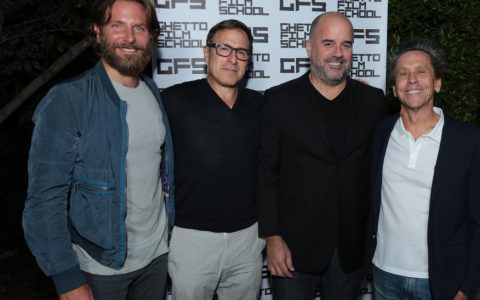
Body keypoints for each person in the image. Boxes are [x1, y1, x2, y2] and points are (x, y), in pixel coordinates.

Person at [22, 0, 174, 299]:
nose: (129, 37)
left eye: (139, 27)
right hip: (101, 266)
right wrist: (67, 278)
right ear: (97, 31)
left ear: (151, 36)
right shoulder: (68, 99)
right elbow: (44, 198)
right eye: (117, 25)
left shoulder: (151, 91)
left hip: (156, 258)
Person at [257, 12, 386, 299]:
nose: (338, 53)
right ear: (309, 47)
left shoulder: (373, 101)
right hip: (293, 245)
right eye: (328, 43)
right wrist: (273, 237)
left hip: (351, 246)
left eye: (346, 44)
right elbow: (267, 172)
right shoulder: (279, 100)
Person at [365, 39, 480, 299]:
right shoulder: (381, 133)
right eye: (403, 74)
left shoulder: (469, 141)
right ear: (394, 88)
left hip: (441, 277)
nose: (412, 80)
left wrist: (469, 285)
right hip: (384, 272)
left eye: (421, 72)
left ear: (437, 83)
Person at [161, 19, 264, 300]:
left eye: (241, 52)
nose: (233, 58)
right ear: (207, 54)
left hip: (249, 239)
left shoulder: (262, 105)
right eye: (224, 48)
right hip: (191, 238)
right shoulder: (173, 99)